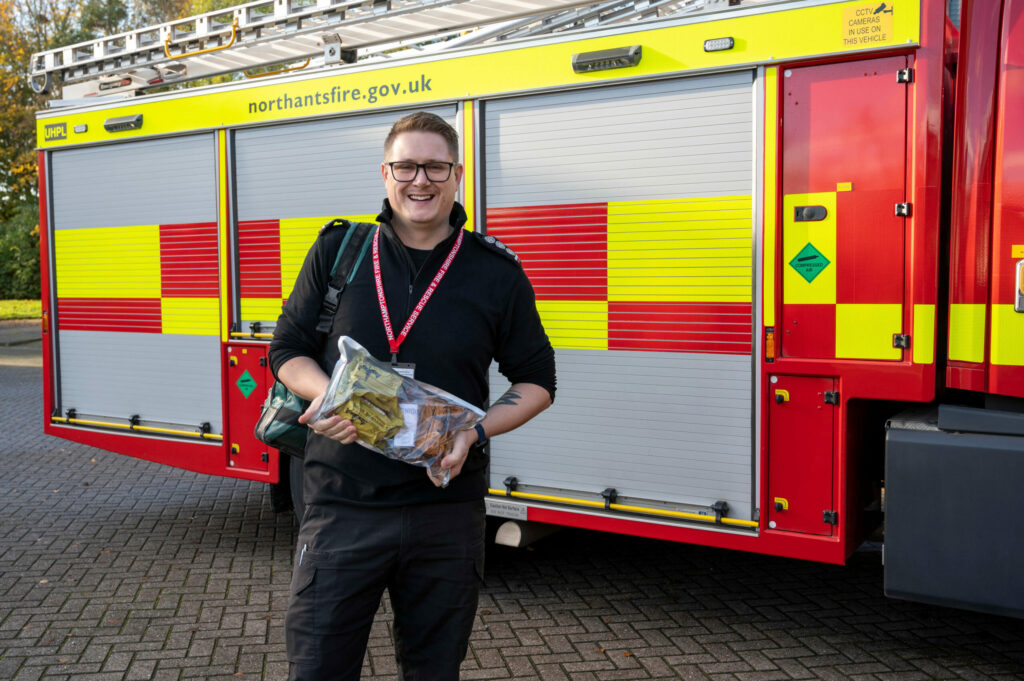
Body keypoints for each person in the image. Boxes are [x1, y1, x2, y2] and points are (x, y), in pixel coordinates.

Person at [269, 111, 556, 681]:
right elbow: (287, 351)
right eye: (406, 166)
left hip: (444, 509)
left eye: (434, 167)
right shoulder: (339, 252)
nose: (419, 180)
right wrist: (333, 398)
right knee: (318, 668)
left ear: (457, 175)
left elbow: (537, 381)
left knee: (433, 671)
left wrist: (473, 433)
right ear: (385, 173)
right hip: (341, 505)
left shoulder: (494, 272)